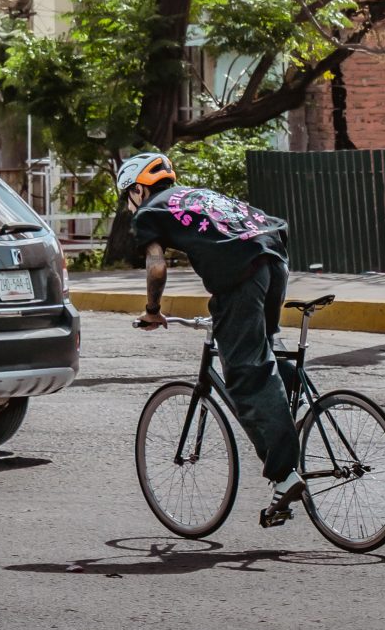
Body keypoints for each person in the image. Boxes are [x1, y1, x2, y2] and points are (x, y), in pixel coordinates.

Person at [117, 152, 306, 522]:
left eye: (128, 196)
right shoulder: (197, 194)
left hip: (241, 273)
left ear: (139, 188)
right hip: (272, 256)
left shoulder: (150, 210)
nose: (130, 205)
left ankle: (285, 473)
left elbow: (156, 266)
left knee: (246, 374)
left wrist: (153, 310)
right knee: (264, 346)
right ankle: (294, 405)